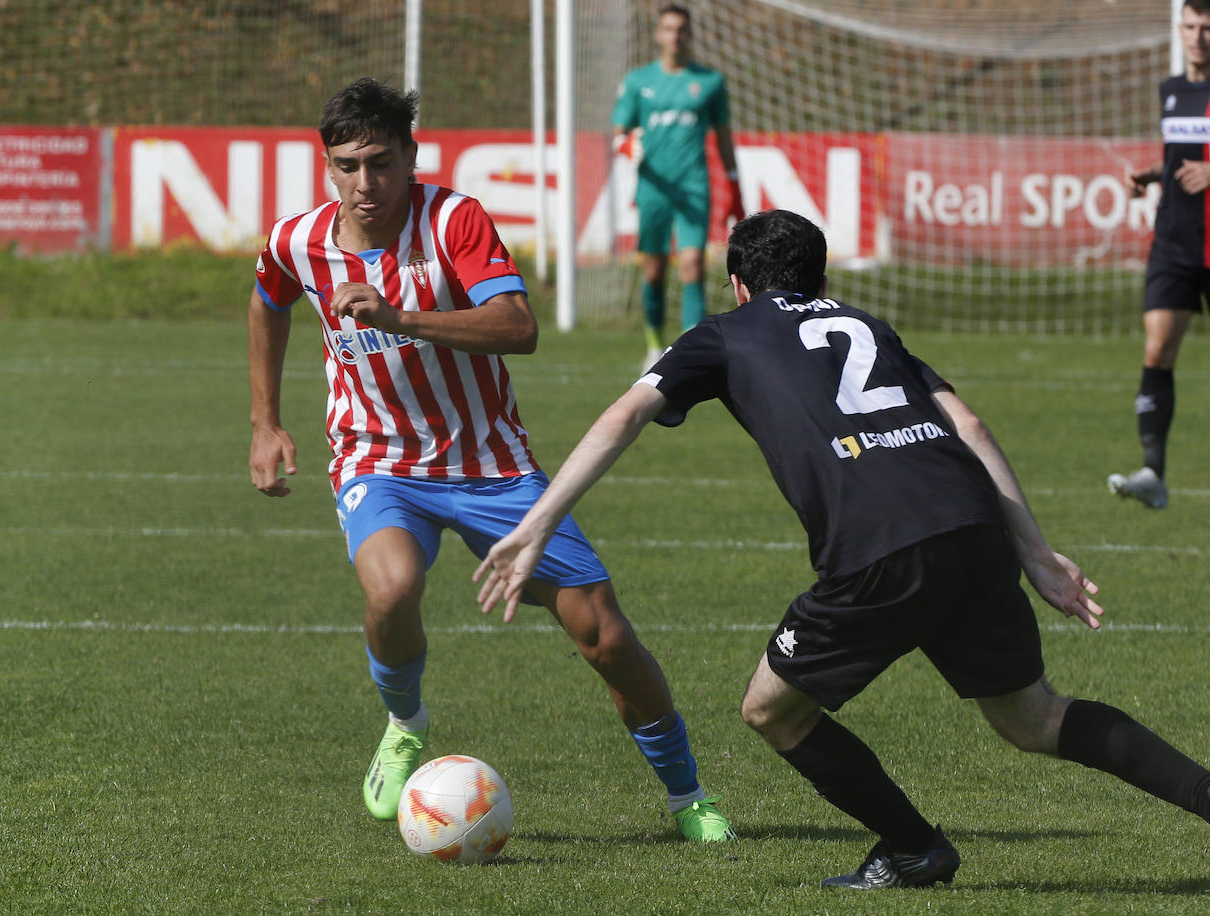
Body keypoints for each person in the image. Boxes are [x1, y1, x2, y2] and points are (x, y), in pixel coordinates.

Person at [477, 209, 1210, 888]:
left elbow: (624, 416)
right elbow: (973, 428)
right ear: (823, 283)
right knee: (1034, 717)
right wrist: (1037, 552)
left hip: (877, 550)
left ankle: (913, 847)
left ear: (738, 285)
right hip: (973, 524)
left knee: (772, 710)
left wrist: (536, 524)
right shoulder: (870, 325)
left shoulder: (723, 333)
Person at [247, 78, 733, 841]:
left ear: (411, 157)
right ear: (328, 167)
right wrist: (265, 423)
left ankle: (688, 798)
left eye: (380, 163)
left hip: (491, 466)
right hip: (377, 461)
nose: (364, 183)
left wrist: (402, 316)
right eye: (346, 166)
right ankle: (406, 721)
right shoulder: (296, 241)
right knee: (392, 588)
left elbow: (518, 326)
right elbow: (268, 298)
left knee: (603, 635)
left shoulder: (453, 221)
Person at [1108, 0, 1210, 509]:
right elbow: (1179, 154)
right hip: (1174, 241)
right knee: (1156, 350)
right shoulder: (1172, 92)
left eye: (1207, 28)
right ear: (1180, 29)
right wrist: (1153, 173)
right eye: (1191, 27)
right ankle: (1153, 471)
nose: (1199, 37)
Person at [613, 3, 744, 371]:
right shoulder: (639, 82)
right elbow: (618, 134)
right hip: (653, 189)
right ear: (658, 34)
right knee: (653, 270)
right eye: (669, 29)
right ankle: (654, 347)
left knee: (692, 265)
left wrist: (734, 185)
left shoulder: (710, 82)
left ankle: (691, 353)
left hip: (693, 187)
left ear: (690, 34)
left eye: (681, 30)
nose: (675, 36)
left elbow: (723, 138)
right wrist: (625, 145)